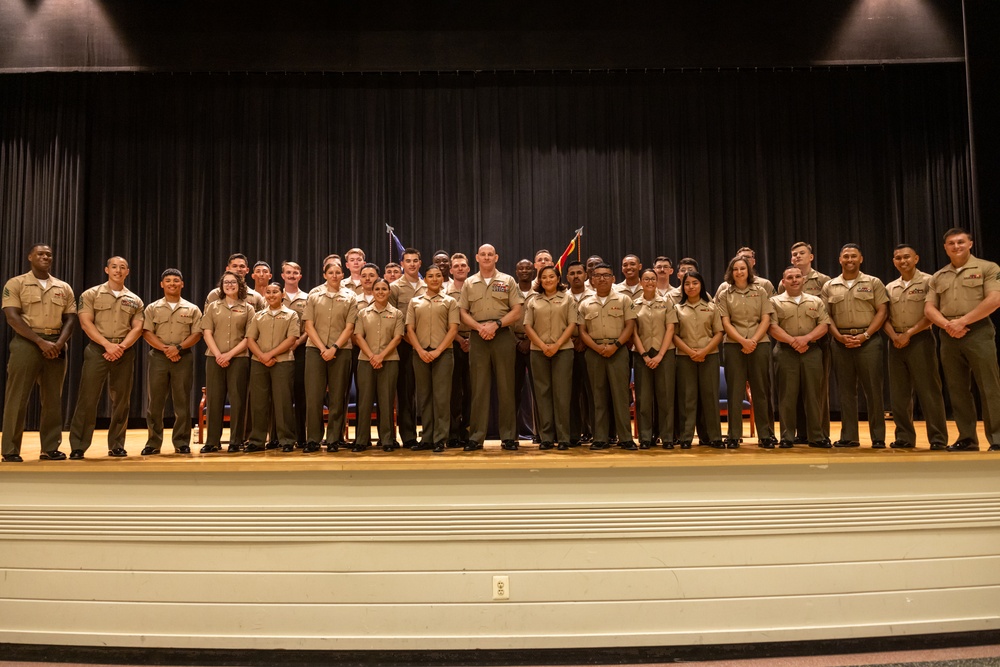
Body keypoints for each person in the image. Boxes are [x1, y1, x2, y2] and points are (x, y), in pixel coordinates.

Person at [924, 227, 1000, 451]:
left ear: (970, 244)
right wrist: (948, 325)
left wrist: (963, 321)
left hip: (978, 332)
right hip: (948, 335)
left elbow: (994, 300)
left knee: (989, 387)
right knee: (957, 389)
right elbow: (929, 308)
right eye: (951, 243)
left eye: (960, 242)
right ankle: (967, 438)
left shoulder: (988, 268)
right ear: (945, 248)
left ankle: (997, 437)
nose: (956, 246)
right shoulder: (939, 276)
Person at [2, 243, 77, 462]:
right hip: (27, 342)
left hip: (56, 343)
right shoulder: (16, 283)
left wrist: (59, 343)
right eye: (40, 254)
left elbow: (71, 318)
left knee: (53, 398)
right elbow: (12, 317)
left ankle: (50, 448)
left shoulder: (63, 287)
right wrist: (40, 342)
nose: (45, 257)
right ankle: (10, 450)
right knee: (17, 397)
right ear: (30, 257)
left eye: (48, 254)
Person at [68, 256, 145, 459]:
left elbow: (137, 327)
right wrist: (107, 345)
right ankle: (78, 445)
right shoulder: (91, 294)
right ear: (106, 269)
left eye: (122, 268)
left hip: (124, 351)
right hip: (98, 350)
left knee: (121, 401)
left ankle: (117, 444)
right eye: (114, 267)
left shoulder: (135, 300)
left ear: (127, 272)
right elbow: (86, 323)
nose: (118, 271)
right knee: (88, 398)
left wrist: (121, 346)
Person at [880, 244, 950, 450]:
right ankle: (904, 437)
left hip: (920, 340)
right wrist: (894, 336)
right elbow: (883, 316)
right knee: (899, 394)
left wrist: (908, 334)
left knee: (929, 391)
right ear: (894, 261)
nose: (903, 261)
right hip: (895, 342)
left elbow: (932, 313)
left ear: (916, 258)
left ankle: (938, 438)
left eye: (907, 257)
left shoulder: (930, 281)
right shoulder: (890, 286)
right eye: (898, 258)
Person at [821, 244, 889, 448]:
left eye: (853, 256)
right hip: (840, 343)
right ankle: (849, 436)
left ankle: (878, 437)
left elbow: (882, 311)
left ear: (861, 259)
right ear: (840, 260)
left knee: (874, 391)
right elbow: (826, 316)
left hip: (868, 341)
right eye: (846, 256)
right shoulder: (830, 286)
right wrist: (839, 337)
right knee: (845, 392)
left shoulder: (873, 282)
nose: (849, 260)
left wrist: (866, 335)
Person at [458, 244, 524, 451]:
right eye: (483, 255)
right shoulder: (469, 283)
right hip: (478, 337)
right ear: (477, 258)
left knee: (506, 387)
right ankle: (476, 437)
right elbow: (462, 312)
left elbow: (517, 310)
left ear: (496, 257)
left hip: (503, 334)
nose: (486, 257)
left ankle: (509, 436)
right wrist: (479, 327)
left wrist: (496, 325)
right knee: (479, 388)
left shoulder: (507, 281)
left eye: (490, 254)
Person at [140, 269, 203, 455]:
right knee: (155, 403)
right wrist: (165, 349)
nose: (172, 284)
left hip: (183, 357)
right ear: (162, 284)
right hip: (159, 357)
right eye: (168, 281)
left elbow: (197, 333)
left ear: (182, 284)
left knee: (182, 402)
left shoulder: (192, 309)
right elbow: (146, 332)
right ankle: (153, 442)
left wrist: (179, 348)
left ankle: (182, 442)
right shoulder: (152, 308)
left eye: (176, 280)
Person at [768, 266, 831, 448]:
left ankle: (816, 436)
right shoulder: (774, 302)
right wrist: (793, 341)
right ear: (783, 281)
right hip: (785, 352)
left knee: (814, 395)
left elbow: (824, 325)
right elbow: (772, 327)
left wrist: (806, 339)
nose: (794, 280)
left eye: (798, 276)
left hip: (811, 352)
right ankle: (787, 437)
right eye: (790, 277)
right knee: (787, 396)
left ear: (803, 280)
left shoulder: (816, 301)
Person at [717, 255, 777, 448]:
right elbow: (725, 322)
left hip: (759, 344)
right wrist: (742, 341)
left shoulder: (760, 291)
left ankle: (765, 435)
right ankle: (734, 435)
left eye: (742, 268)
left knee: (760, 389)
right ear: (731, 272)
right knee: (735, 390)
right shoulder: (725, 293)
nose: (739, 272)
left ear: (748, 271)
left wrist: (753, 341)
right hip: (734, 345)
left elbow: (766, 319)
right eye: (735, 269)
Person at [577, 263, 637, 450]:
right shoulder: (585, 303)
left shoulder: (623, 300)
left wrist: (616, 345)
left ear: (613, 278)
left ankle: (625, 438)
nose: (602, 278)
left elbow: (630, 326)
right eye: (598, 275)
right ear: (592, 280)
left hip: (618, 351)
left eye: (606, 275)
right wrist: (595, 347)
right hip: (594, 352)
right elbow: (582, 331)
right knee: (597, 396)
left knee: (620, 395)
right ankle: (600, 438)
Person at [303, 261, 358, 452]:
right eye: (330, 272)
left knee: (337, 396)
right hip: (315, 351)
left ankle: (334, 438)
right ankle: (313, 439)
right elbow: (308, 326)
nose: (334, 275)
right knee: (314, 396)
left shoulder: (351, 296)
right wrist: (322, 348)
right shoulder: (314, 295)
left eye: (337, 272)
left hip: (341, 350)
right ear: (324, 275)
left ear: (342, 274)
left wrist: (334, 348)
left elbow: (350, 327)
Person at [783, 241, 833, 443]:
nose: (797, 257)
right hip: (792, 342)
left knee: (817, 391)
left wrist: (808, 339)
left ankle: (819, 433)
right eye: (794, 254)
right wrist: (795, 340)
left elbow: (827, 314)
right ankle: (799, 433)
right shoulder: (785, 282)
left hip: (817, 341)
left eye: (801, 253)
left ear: (811, 257)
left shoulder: (824, 281)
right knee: (794, 390)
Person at [406, 266, 460, 452]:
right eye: (431, 276)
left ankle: (440, 438)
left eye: (438, 276)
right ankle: (427, 437)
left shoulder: (450, 301)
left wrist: (438, 351)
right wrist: (420, 350)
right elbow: (410, 329)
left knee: (442, 397)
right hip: (420, 354)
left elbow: (453, 329)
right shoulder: (414, 301)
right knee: (425, 397)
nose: (435, 279)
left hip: (443, 354)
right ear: (425, 279)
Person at [200, 271, 254, 453]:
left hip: (238, 359)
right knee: (214, 400)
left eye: (233, 282)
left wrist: (229, 355)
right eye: (226, 282)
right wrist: (218, 355)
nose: (229, 285)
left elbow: (249, 337)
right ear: (221, 286)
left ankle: (236, 441)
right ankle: (212, 441)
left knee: (238, 400)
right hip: (214, 358)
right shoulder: (213, 307)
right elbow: (207, 332)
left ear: (240, 285)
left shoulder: (248, 309)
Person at [524, 265, 577, 450]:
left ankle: (563, 437)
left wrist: (556, 345)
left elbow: (572, 324)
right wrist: (542, 345)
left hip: (563, 351)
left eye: (551, 277)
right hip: (538, 352)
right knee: (542, 394)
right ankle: (546, 437)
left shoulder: (567, 298)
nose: (548, 280)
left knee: (562, 394)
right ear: (539, 280)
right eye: (544, 277)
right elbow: (528, 326)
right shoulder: (533, 300)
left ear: (558, 278)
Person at [245, 281, 300, 452]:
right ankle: (257, 440)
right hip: (259, 363)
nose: (271, 295)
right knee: (258, 402)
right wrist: (262, 356)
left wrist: (271, 354)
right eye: (268, 292)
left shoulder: (291, 315)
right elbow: (250, 339)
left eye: (275, 292)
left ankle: (286, 440)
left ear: (282, 294)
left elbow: (292, 339)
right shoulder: (258, 315)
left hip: (282, 362)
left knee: (283, 402)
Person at [673, 271, 724, 449]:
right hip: (684, 357)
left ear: (701, 285)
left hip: (709, 356)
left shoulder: (711, 307)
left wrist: (703, 351)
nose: (691, 287)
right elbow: (674, 335)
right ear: (683, 287)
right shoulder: (677, 308)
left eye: (695, 283)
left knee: (710, 397)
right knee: (687, 398)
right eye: (687, 284)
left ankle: (714, 437)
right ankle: (686, 438)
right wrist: (690, 351)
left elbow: (718, 332)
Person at [352, 278, 404, 451]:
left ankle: (387, 440)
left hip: (389, 361)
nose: (381, 292)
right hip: (366, 361)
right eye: (377, 289)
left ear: (389, 292)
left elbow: (397, 338)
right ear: (372, 292)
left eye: (384, 289)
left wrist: (381, 356)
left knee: (386, 401)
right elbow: (358, 336)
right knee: (365, 401)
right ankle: (361, 440)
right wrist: (372, 356)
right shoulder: (363, 313)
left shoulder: (397, 314)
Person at [631, 268, 677, 449]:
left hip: (664, 355)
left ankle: (667, 437)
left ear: (657, 281)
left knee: (666, 397)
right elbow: (632, 331)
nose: (649, 282)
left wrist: (659, 355)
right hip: (641, 355)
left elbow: (671, 329)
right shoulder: (633, 304)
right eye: (646, 279)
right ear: (641, 282)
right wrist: (643, 354)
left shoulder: (667, 303)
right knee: (643, 398)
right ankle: (644, 437)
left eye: (653, 279)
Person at [389, 248, 426, 448]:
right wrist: (414, 343)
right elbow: (395, 319)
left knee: (426, 392)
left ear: (420, 263)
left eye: (415, 260)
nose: (412, 264)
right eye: (408, 261)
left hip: (428, 345)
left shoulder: (427, 285)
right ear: (401, 264)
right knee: (405, 392)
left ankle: (429, 432)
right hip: (404, 345)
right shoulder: (394, 288)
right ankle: (408, 435)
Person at [565, 260, 594, 445]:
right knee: (570, 393)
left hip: (590, 348)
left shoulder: (594, 295)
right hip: (567, 348)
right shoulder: (562, 297)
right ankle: (574, 433)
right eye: (572, 273)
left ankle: (595, 432)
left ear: (585, 275)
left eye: (579, 272)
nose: (576, 276)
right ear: (567, 277)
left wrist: (584, 340)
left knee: (592, 392)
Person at [281, 261, 309, 446]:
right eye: (288, 272)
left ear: (300, 276)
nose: (292, 275)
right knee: (280, 395)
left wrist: (297, 342)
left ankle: (301, 437)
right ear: (282, 275)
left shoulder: (308, 298)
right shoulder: (274, 294)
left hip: (300, 350)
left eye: (295, 272)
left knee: (301, 394)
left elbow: (310, 326)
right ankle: (280, 437)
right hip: (278, 352)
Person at [447, 252, 473, 447]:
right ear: (451, 270)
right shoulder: (444, 291)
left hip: (476, 342)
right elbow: (442, 321)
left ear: (468, 268)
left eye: (463, 265)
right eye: (456, 266)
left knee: (473, 390)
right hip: (453, 343)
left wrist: (470, 339)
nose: (460, 268)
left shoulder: (475, 288)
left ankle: (469, 431)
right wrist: (459, 339)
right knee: (454, 391)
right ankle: (453, 432)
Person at [513, 258, 538, 442]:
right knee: (512, 391)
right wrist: (516, 341)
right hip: (512, 345)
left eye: (528, 268)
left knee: (538, 391)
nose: (524, 271)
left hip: (536, 344)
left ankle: (540, 433)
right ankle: (510, 434)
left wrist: (530, 340)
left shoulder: (539, 292)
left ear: (533, 271)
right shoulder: (508, 290)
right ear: (516, 271)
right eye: (520, 268)